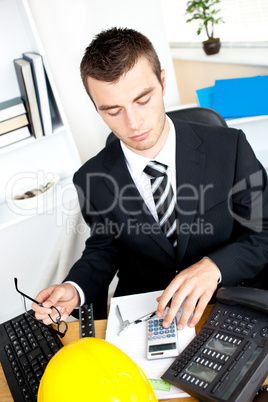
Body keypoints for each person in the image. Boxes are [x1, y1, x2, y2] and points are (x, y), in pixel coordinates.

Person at [32, 27, 268, 331]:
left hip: (230, 295)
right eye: (113, 111)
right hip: (149, 312)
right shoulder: (91, 178)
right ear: (97, 109)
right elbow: (105, 248)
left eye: (143, 99)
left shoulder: (230, 147)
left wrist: (215, 267)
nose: (133, 123)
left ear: (163, 82)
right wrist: (75, 288)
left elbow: (263, 230)